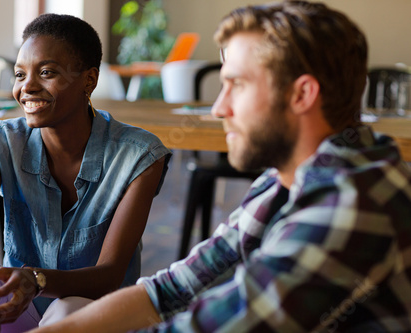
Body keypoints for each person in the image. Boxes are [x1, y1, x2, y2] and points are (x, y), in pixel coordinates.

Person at [29, 1, 411, 332]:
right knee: (69, 313)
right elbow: (171, 291)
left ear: (302, 94)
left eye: (237, 85)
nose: (218, 108)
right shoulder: (284, 180)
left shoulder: (351, 203)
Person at [0, 13, 172, 332]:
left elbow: (110, 274)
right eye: (20, 75)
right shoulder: (1, 141)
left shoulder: (138, 155)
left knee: (68, 307)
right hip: (18, 306)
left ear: (89, 80)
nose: (28, 87)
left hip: (96, 312)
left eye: (46, 72)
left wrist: (36, 280)